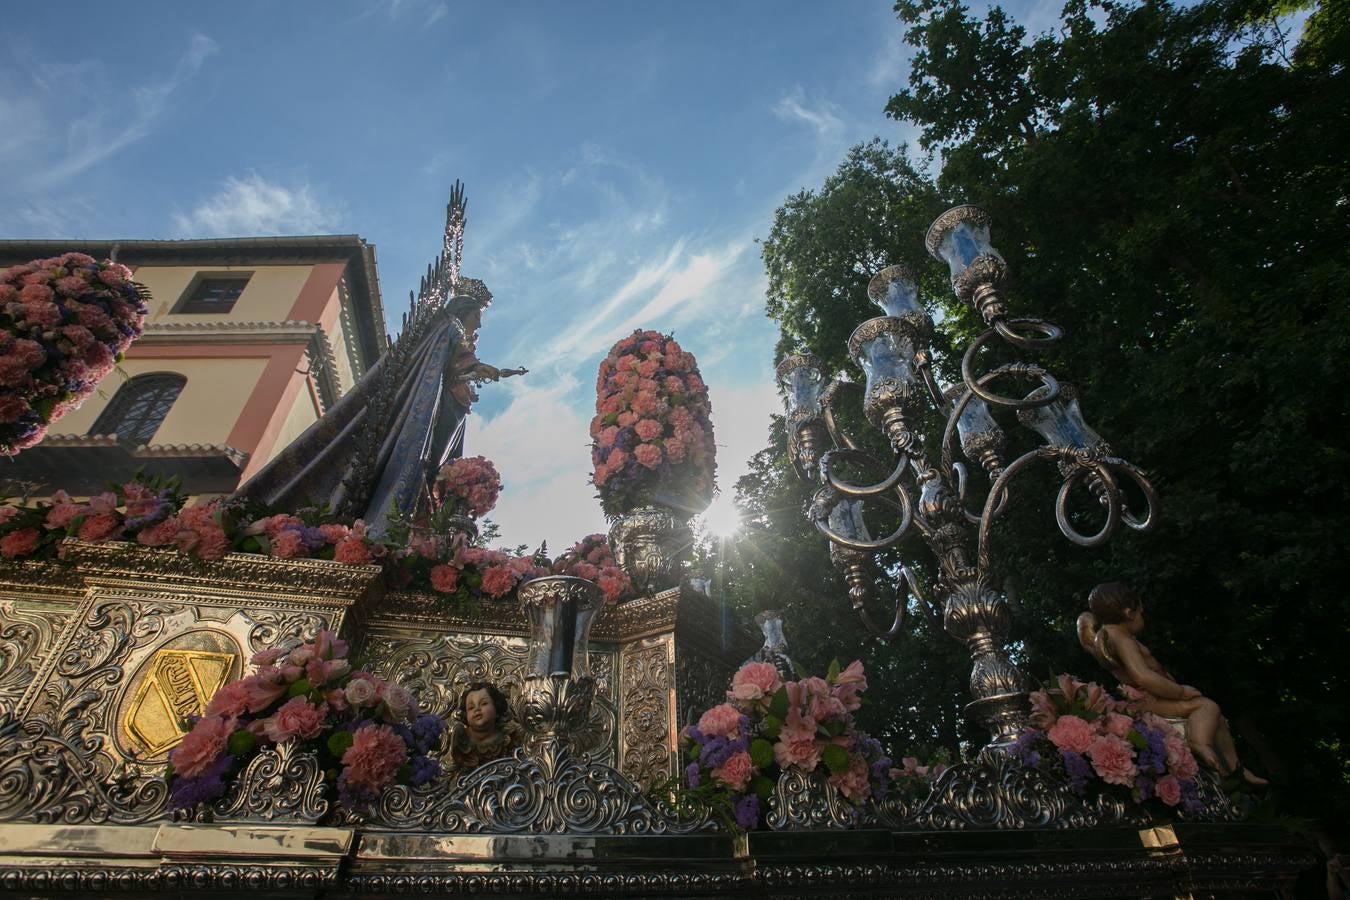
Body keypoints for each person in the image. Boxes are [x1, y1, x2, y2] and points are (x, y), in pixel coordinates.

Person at [1077, 582, 1267, 786]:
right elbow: (1143, 676)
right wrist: (1181, 692)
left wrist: (1084, 620)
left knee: (1217, 720)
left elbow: (1085, 635)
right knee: (1208, 706)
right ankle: (1199, 743)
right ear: (1129, 613)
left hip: (1151, 697)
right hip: (1149, 699)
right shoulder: (1122, 639)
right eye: (1141, 613)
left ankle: (1235, 766)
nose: (1142, 617)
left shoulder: (1104, 637)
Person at [448, 681, 520, 772]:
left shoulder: (510, 734)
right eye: (471, 707)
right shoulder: (462, 739)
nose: (477, 709)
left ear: (496, 707)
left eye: (484, 703)